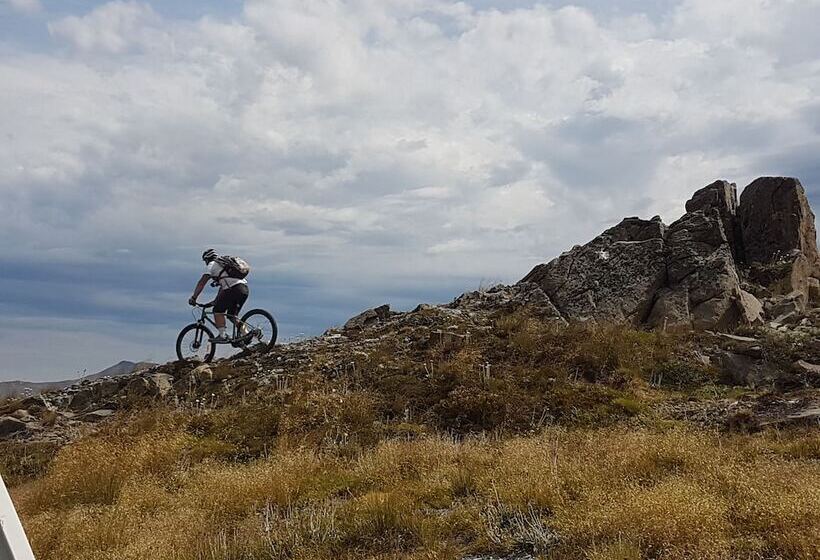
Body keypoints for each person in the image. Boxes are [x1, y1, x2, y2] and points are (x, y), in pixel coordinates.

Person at [189, 249, 249, 342]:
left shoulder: (211, 265)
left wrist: (194, 298)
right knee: (232, 316)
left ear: (207, 259)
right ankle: (247, 334)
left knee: (217, 311)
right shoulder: (222, 267)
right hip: (243, 289)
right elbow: (223, 288)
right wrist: (216, 300)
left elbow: (202, 282)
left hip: (233, 289)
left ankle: (222, 335)